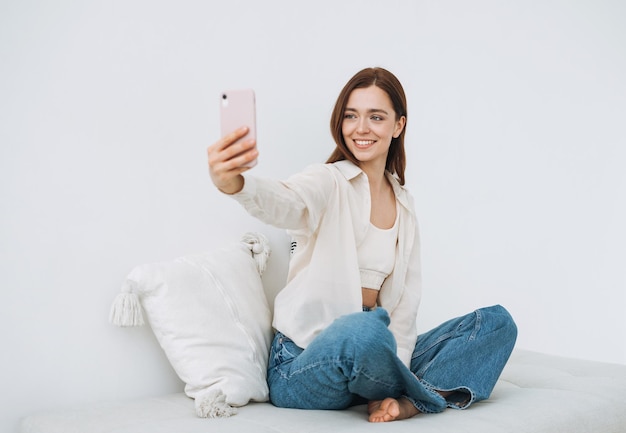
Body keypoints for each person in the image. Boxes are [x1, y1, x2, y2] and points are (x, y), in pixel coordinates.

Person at [207, 67, 517, 423]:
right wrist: (236, 183)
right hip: (304, 365)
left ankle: (404, 399)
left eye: (376, 117)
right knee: (364, 330)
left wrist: (394, 365)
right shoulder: (329, 181)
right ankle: (414, 392)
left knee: (496, 323)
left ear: (398, 126)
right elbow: (286, 201)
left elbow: (404, 309)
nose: (361, 128)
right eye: (351, 116)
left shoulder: (405, 206)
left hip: (373, 359)